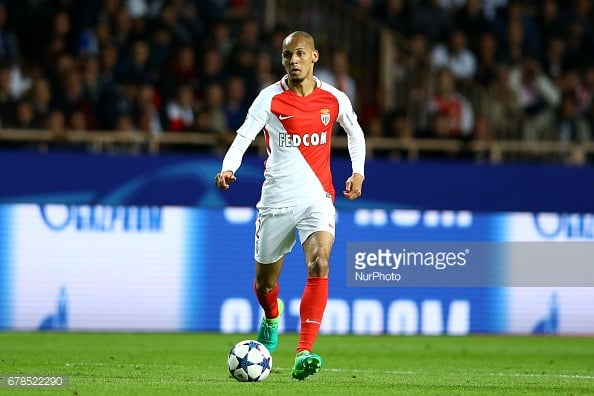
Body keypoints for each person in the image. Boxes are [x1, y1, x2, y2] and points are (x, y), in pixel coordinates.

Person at [214, 31, 366, 380]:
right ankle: (271, 317)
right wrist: (228, 167)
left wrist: (358, 172)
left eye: (300, 54)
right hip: (276, 202)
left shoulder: (334, 98)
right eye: (287, 56)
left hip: (318, 198)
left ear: (314, 56)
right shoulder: (269, 99)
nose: (293, 60)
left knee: (320, 262)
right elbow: (243, 136)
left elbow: (354, 132)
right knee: (265, 284)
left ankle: (304, 352)